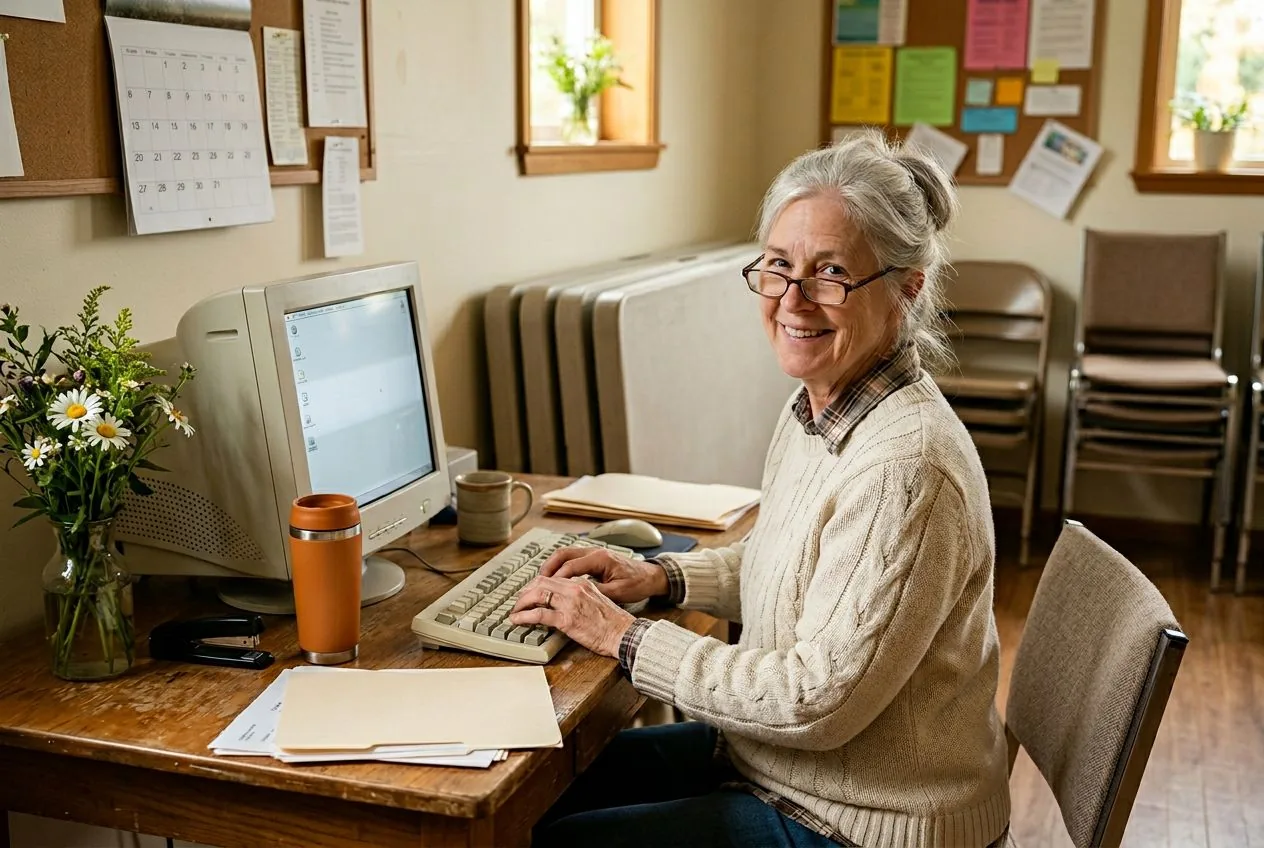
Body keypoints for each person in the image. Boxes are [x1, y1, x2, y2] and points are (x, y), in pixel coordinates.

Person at [508, 129, 1011, 848]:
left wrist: (622, 636)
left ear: (907, 289)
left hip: (866, 822)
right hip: (789, 770)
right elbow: (794, 564)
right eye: (778, 266)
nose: (793, 300)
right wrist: (661, 576)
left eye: (831, 273)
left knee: (554, 836)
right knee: (540, 786)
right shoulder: (820, 407)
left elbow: (813, 702)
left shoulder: (907, 470)